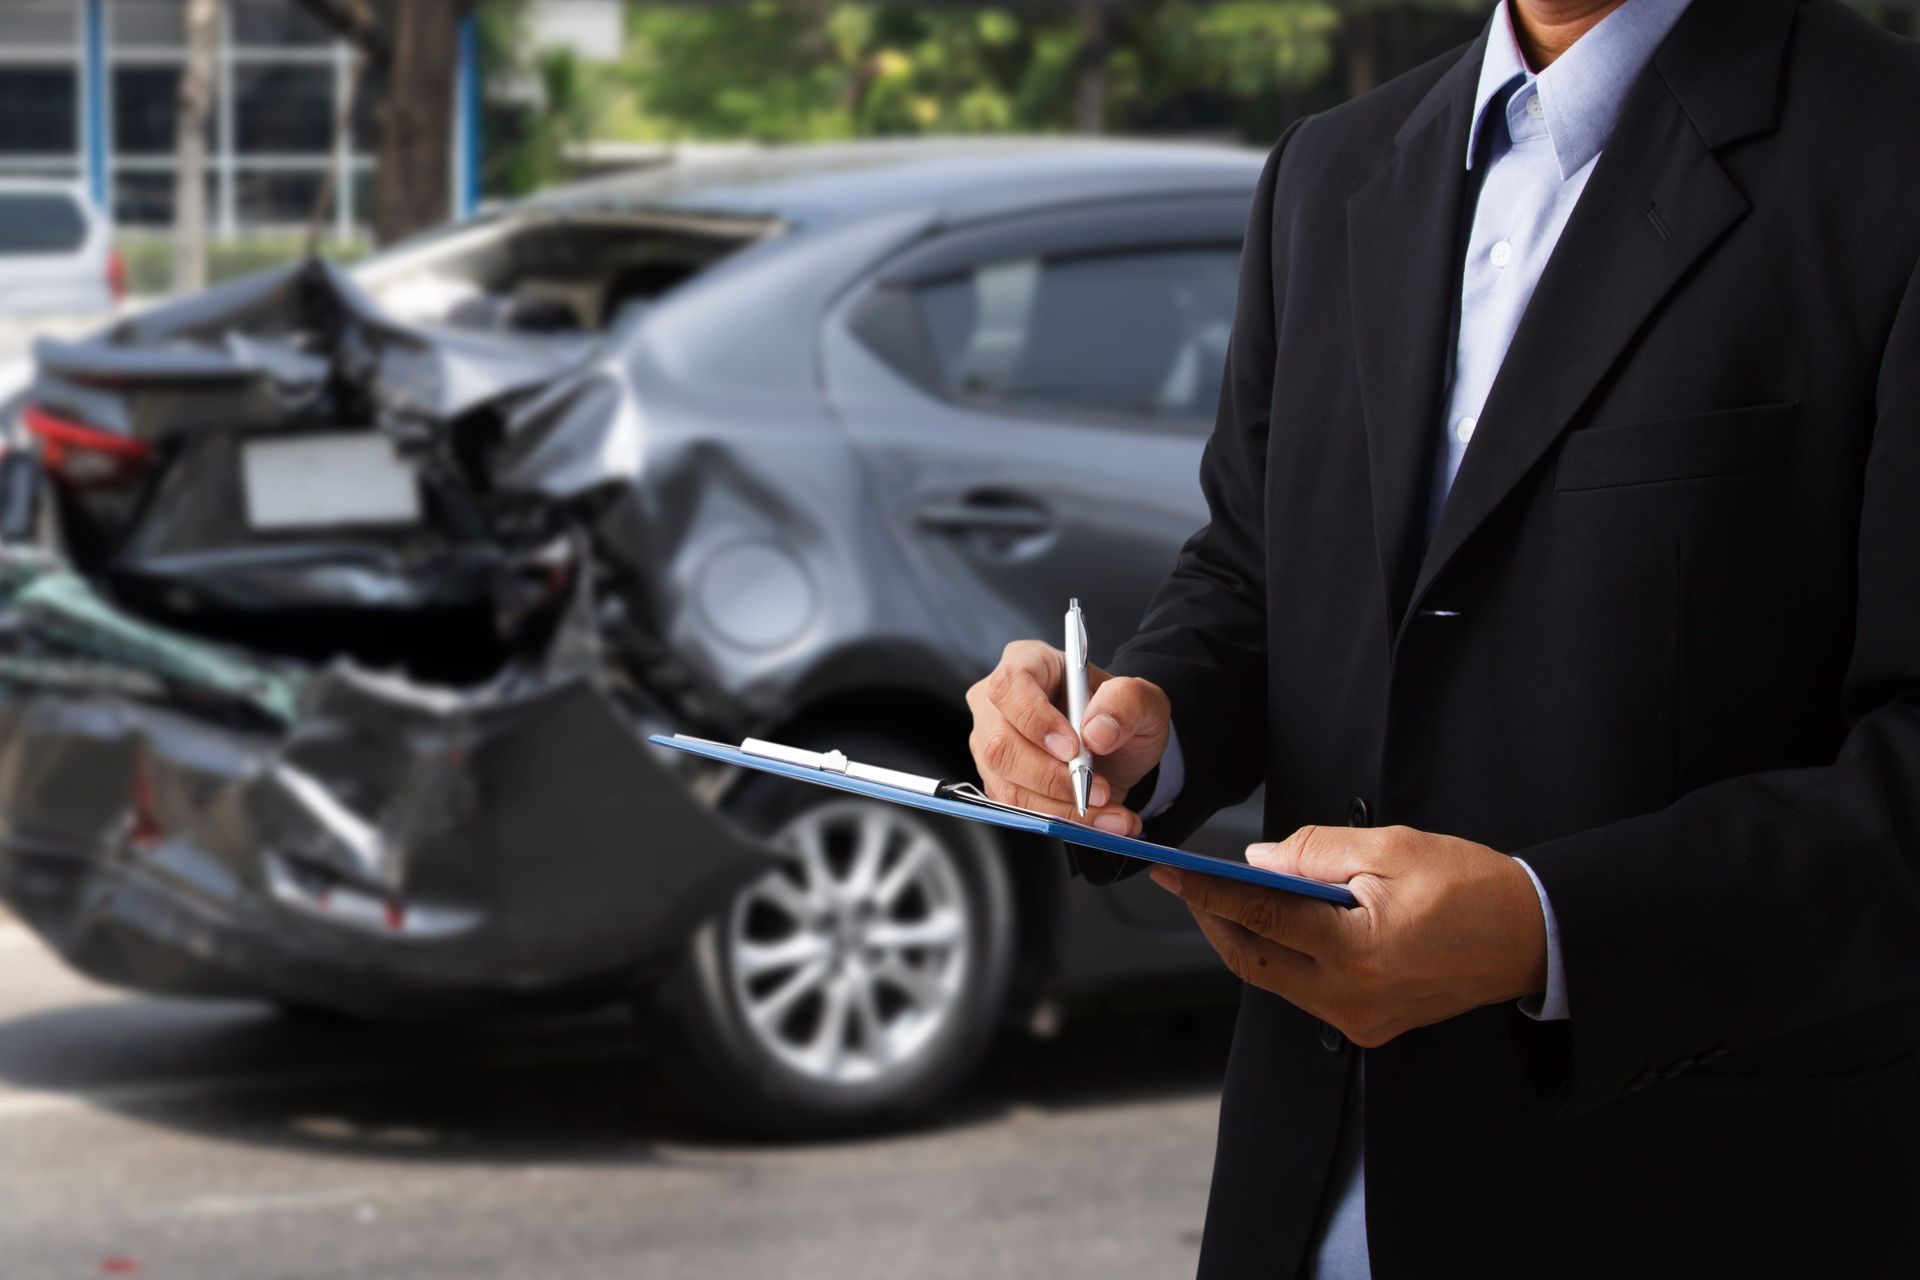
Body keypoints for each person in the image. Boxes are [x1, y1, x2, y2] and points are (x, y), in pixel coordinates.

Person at [964, 0, 1920, 1274]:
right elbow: (1253, 564)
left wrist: (1546, 927)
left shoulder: (1887, 158)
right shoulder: (1330, 168)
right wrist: (1138, 722)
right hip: (1300, 1189)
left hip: (1699, 1193)